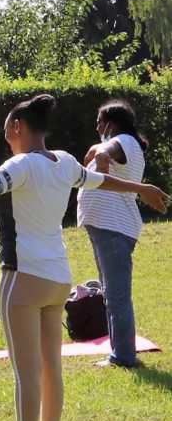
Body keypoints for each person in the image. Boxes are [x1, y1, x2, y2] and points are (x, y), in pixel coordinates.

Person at [0, 94, 167, 421]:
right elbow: (101, 180)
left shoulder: (20, 165)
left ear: (16, 129)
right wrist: (141, 189)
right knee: (51, 370)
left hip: (21, 279)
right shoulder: (66, 162)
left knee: (26, 374)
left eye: (9, 131)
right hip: (59, 278)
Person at [78, 99, 149, 368]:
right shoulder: (126, 142)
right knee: (111, 293)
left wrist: (101, 158)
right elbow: (100, 149)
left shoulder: (123, 142)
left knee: (117, 295)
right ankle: (119, 352)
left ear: (110, 123)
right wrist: (97, 151)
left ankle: (123, 357)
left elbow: (104, 153)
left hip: (114, 227)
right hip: (107, 227)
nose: (96, 127)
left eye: (99, 122)